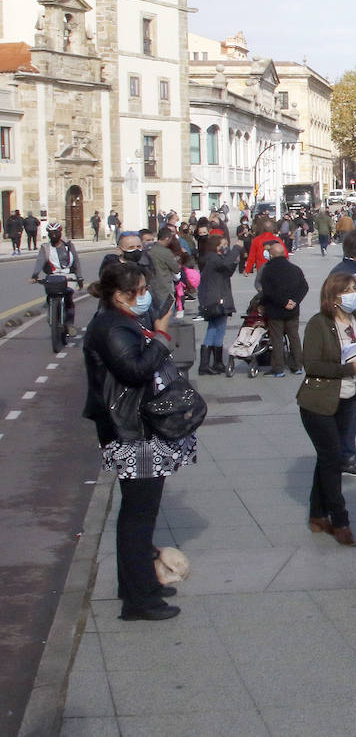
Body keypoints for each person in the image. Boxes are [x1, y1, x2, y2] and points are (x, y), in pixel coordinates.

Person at [82, 261, 194, 621]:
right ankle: (139, 600)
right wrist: (161, 336)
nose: (145, 296)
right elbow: (134, 371)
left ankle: (136, 584)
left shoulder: (120, 320)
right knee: (138, 516)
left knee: (139, 513)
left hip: (136, 428)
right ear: (120, 296)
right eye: (140, 291)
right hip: (132, 432)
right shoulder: (111, 326)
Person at [297, 271, 356, 547]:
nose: (353, 294)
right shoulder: (319, 323)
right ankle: (340, 519)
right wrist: (346, 368)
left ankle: (317, 514)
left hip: (348, 397)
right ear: (334, 296)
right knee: (333, 457)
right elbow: (311, 364)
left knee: (327, 458)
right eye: (347, 290)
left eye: (354, 288)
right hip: (319, 400)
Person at [259, 239, 309, 377]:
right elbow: (304, 287)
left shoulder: (268, 270)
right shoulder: (295, 269)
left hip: (275, 310)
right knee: (294, 337)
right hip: (293, 311)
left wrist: (283, 302)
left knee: (276, 339)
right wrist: (294, 301)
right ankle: (297, 365)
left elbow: (267, 292)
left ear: (272, 255)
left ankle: (278, 368)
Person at [196, 234, 238, 375]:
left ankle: (217, 362)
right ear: (216, 246)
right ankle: (205, 364)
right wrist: (236, 249)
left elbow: (227, 270)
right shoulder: (213, 259)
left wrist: (234, 261)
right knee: (214, 330)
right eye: (223, 244)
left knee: (219, 330)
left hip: (218, 298)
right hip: (216, 300)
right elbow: (226, 265)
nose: (225, 247)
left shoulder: (214, 259)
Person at [30, 226, 83, 335]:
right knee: (50, 296)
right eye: (51, 233)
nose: (54, 235)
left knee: (68, 298)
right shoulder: (46, 247)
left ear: (60, 233)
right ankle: (52, 316)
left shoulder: (68, 245)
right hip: (53, 276)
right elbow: (40, 261)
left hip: (68, 275)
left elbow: (76, 261)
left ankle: (69, 324)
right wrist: (34, 275)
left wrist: (79, 277)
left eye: (56, 233)